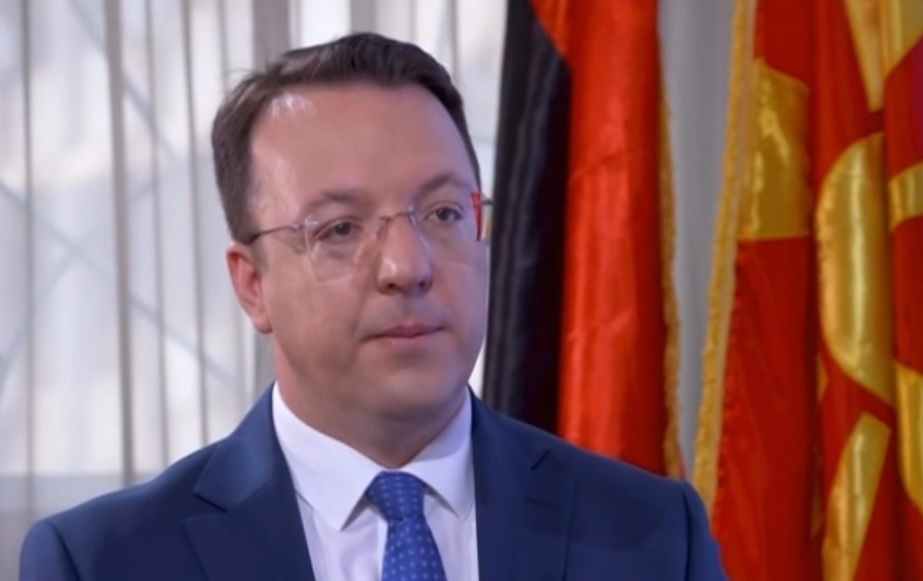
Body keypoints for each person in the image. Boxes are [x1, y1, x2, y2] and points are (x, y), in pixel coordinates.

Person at [19, 32, 727, 580]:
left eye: (443, 214)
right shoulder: (104, 562)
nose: (407, 267)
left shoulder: (654, 536)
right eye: (339, 230)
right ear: (252, 284)